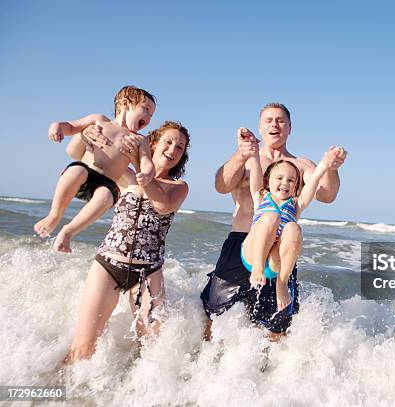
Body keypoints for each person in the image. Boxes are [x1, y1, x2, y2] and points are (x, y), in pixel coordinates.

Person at [201, 103, 347, 340]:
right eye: (268, 120)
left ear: (290, 128)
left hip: (280, 249)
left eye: (280, 120)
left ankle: (268, 373)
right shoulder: (250, 161)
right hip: (243, 241)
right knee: (215, 310)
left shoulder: (301, 166)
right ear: (260, 127)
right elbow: (221, 185)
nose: (274, 124)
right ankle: (203, 364)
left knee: (277, 323)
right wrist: (242, 153)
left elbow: (327, 194)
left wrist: (331, 167)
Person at [62, 121, 190, 364]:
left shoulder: (179, 187)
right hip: (108, 265)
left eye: (180, 147)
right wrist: (86, 134)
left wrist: (141, 165)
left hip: (148, 271)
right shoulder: (124, 174)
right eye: (169, 142)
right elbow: (81, 156)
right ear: (152, 144)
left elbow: (162, 205)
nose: (173, 150)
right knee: (83, 347)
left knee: (154, 351)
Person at [34, 85, 156, 253]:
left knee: (106, 195)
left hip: (106, 184)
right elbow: (71, 125)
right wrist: (56, 126)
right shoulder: (99, 120)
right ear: (125, 104)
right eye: (146, 109)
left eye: (151, 115)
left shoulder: (139, 140)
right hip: (85, 173)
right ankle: (54, 215)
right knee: (77, 170)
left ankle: (68, 232)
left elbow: (146, 161)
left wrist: (148, 173)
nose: (149, 118)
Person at [243, 144, 342, 311]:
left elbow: (314, 181)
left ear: (296, 186)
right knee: (271, 216)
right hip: (253, 256)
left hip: (275, 264)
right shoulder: (260, 196)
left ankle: (281, 283)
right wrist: (253, 155)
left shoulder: (295, 205)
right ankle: (258, 268)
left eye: (291, 180)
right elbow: (255, 169)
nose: (285, 183)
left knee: (293, 228)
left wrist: (325, 163)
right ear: (268, 181)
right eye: (279, 178)